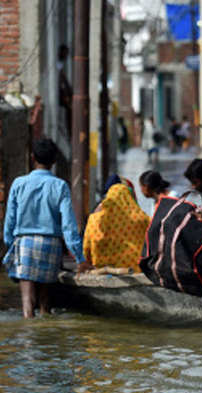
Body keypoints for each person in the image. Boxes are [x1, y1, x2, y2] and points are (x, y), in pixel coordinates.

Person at [2, 138, 91, 318]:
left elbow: (9, 221)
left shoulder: (18, 184)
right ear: (54, 161)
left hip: (25, 242)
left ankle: (29, 337)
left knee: (27, 303)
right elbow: (68, 226)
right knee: (45, 303)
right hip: (51, 245)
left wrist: (10, 243)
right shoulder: (60, 186)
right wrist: (80, 257)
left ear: (32, 157)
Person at [83, 184, 150, 272]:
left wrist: (86, 262)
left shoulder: (95, 219)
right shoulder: (143, 218)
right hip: (136, 268)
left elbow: (87, 246)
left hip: (102, 268)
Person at [57, 44, 72, 135]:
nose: (66, 56)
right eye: (65, 53)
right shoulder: (58, 64)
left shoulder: (61, 64)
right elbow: (61, 78)